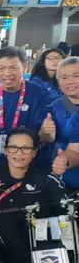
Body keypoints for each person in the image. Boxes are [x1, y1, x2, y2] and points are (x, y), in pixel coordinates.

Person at [0, 128, 65, 263]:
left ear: (34, 152)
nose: (19, 153)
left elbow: (64, 208)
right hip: (1, 246)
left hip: (44, 252)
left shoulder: (45, 179)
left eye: (26, 148)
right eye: (13, 147)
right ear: (6, 150)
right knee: (3, 215)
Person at [0, 47, 50, 168]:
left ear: (25, 66)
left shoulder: (37, 92)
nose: (7, 73)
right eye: (1, 68)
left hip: (24, 162)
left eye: (13, 68)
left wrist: (47, 133)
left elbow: (42, 134)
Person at [48, 57, 79, 190]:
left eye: (76, 76)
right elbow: (74, 150)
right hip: (65, 178)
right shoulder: (52, 109)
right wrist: (45, 133)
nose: (70, 81)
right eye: (64, 77)